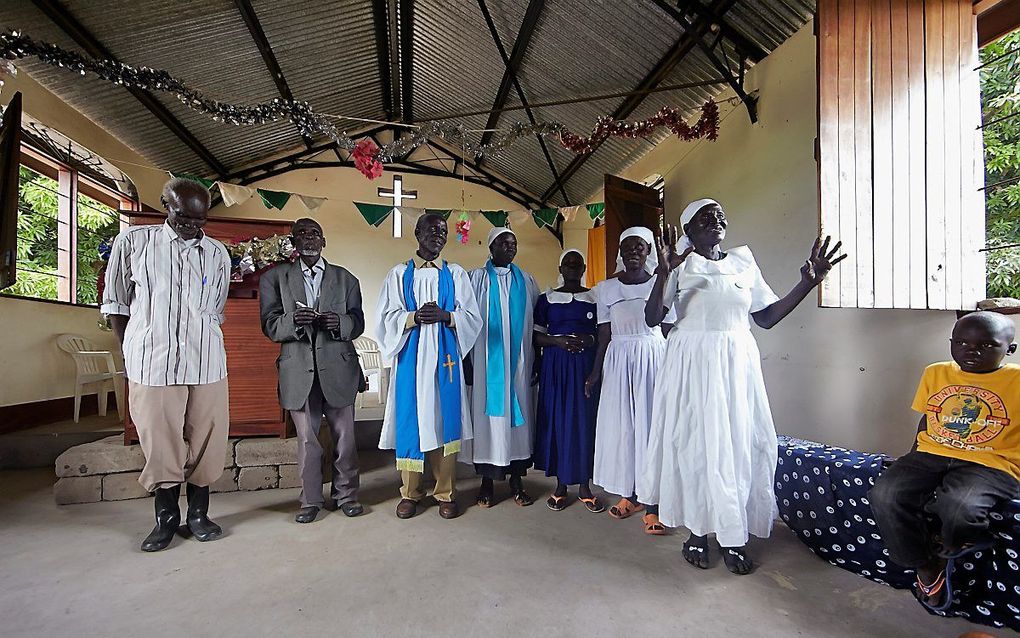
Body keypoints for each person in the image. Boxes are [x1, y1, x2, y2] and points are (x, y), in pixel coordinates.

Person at [642, 198, 845, 574]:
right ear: (687, 231)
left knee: (737, 443)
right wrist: (664, 274)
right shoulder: (678, 265)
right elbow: (653, 318)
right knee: (695, 444)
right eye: (705, 217)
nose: (716, 220)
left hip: (736, 362)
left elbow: (765, 317)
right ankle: (698, 532)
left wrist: (806, 283)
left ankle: (733, 537)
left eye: (720, 214)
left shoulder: (742, 262)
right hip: (691, 364)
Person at [100, 178, 231, 552]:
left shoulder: (217, 254)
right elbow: (116, 305)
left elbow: (214, 310)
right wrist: (131, 352)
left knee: (208, 434)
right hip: (152, 362)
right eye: (183, 216)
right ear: (165, 205)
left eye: (200, 219)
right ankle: (166, 517)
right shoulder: (134, 243)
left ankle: (199, 514)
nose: (192, 225)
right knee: (160, 437)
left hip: (206, 361)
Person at [869, 311, 1020, 612]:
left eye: (986, 345)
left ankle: (954, 545)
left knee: (961, 510)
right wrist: (911, 458)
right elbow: (929, 418)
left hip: (993, 462)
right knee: (885, 494)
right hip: (932, 454)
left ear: (1010, 349)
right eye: (961, 342)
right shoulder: (935, 372)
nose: (971, 350)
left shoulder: (1016, 381)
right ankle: (926, 565)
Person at [376, 213, 483, 520]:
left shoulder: (456, 274)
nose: (438, 234)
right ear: (418, 233)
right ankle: (410, 493)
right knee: (411, 420)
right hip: (411, 359)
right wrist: (412, 318)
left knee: (443, 420)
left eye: (443, 231)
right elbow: (385, 317)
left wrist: (447, 317)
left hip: (445, 362)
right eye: (432, 230)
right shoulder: (398, 274)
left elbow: (472, 316)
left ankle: (445, 492)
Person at [259, 218, 366, 524]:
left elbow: (358, 322)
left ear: (324, 241)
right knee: (307, 439)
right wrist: (294, 320)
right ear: (293, 243)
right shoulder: (275, 279)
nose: (309, 238)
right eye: (302, 234)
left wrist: (340, 323)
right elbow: (269, 325)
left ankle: (346, 495)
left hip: (339, 368)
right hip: (298, 371)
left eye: (314, 233)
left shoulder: (346, 279)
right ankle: (310, 500)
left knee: (345, 437)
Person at [586, 226, 675, 535]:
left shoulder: (661, 282)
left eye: (640, 247)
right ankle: (631, 495)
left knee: (651, 428)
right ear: (620, 253)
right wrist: (595, 373)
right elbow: (604, 335)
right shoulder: (606, 288)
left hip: (653, 357)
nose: (633, 252)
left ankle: (653, 506)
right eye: (627, 248)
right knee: (624, 428)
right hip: (619, 359)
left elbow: (668, 330)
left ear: (649, 252)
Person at [461, 227, 540, 507]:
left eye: (514, 244)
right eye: (504, 243)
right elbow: (465, 321)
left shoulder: (527, 282)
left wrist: (536, 360)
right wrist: (464, 362)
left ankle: (518, 481)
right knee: (489, 422)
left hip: (519, 363)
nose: (510, 248)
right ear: (491, 248)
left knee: (518, 424)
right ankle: (486, 484)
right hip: (485, 366)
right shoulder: (476, 279)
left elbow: (537, 324)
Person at [534, 249, 603, 512]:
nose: (573, 267)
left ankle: (585, 486)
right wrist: (557, 341)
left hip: (586, 367)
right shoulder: (546, 299)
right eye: (567, 263)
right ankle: (561, 485)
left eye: (577, 263)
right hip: (556, 366)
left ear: (584, 267)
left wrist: (590, 340)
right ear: (560, 268)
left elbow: (604, 332)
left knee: (584, 421)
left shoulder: (595, 298)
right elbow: (536, 336)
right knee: (559, 421)